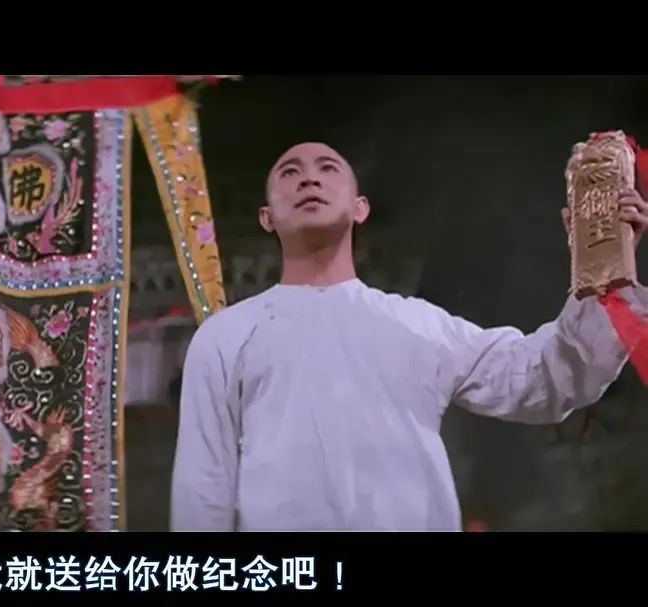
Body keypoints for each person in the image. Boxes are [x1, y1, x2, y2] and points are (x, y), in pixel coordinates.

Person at [171, 141, 648, 532]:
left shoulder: (418, 325)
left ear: (360, 208)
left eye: (327, 168)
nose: (309, 179)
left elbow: (541, 378)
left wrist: (605, 262)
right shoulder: (226, 337)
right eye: (290, 172)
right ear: (266, 217)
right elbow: (203, 488)